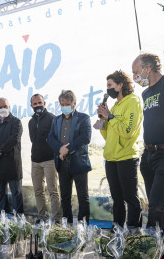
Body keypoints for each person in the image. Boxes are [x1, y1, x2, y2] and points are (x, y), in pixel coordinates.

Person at [132, 53, 164, 230]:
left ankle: (152, 242)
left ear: (148, 68)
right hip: (148, 155)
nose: (135, 77)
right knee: (154, 204)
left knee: (157, 204)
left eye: (136, 72)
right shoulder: (145, 93)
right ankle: (160, 239)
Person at [96, 70, 143, 228]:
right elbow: (109, 136)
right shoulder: (115, 106)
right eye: (107, 85)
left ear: (121, 84)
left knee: (130, 197)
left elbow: (128, 131)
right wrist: (103, 120)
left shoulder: (133, 101)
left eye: (110, 85)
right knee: (117, 199)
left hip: (126, 157)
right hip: (111, 158)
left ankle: (133, 233)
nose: (108, 89)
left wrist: (110, 117)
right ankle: (117, 231)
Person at [47, 90, 92, 224]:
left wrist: (67, 149)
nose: (64, 107)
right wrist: (60, 149)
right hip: (62, 163)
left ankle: (83, 225)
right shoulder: (56, 120)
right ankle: (67, 225)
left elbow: (85, 137)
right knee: (65, 197)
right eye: (62, 104)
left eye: (67, 104)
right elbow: (51, 138)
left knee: (83, 197)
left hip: (78, 163)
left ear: (74, 103)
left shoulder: (83, 118)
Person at [28, 94, 61, 222]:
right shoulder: (31, 122)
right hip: (35, 160)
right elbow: (33, 139)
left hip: (50, 160)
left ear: (44, 103)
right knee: (38, 191)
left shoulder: (52, 119)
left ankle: (56, 218)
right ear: (31, 106)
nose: (37, 105)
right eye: (35, 104)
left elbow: (56, 139)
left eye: (39, 103)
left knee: (53, 190)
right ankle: (42, 217)